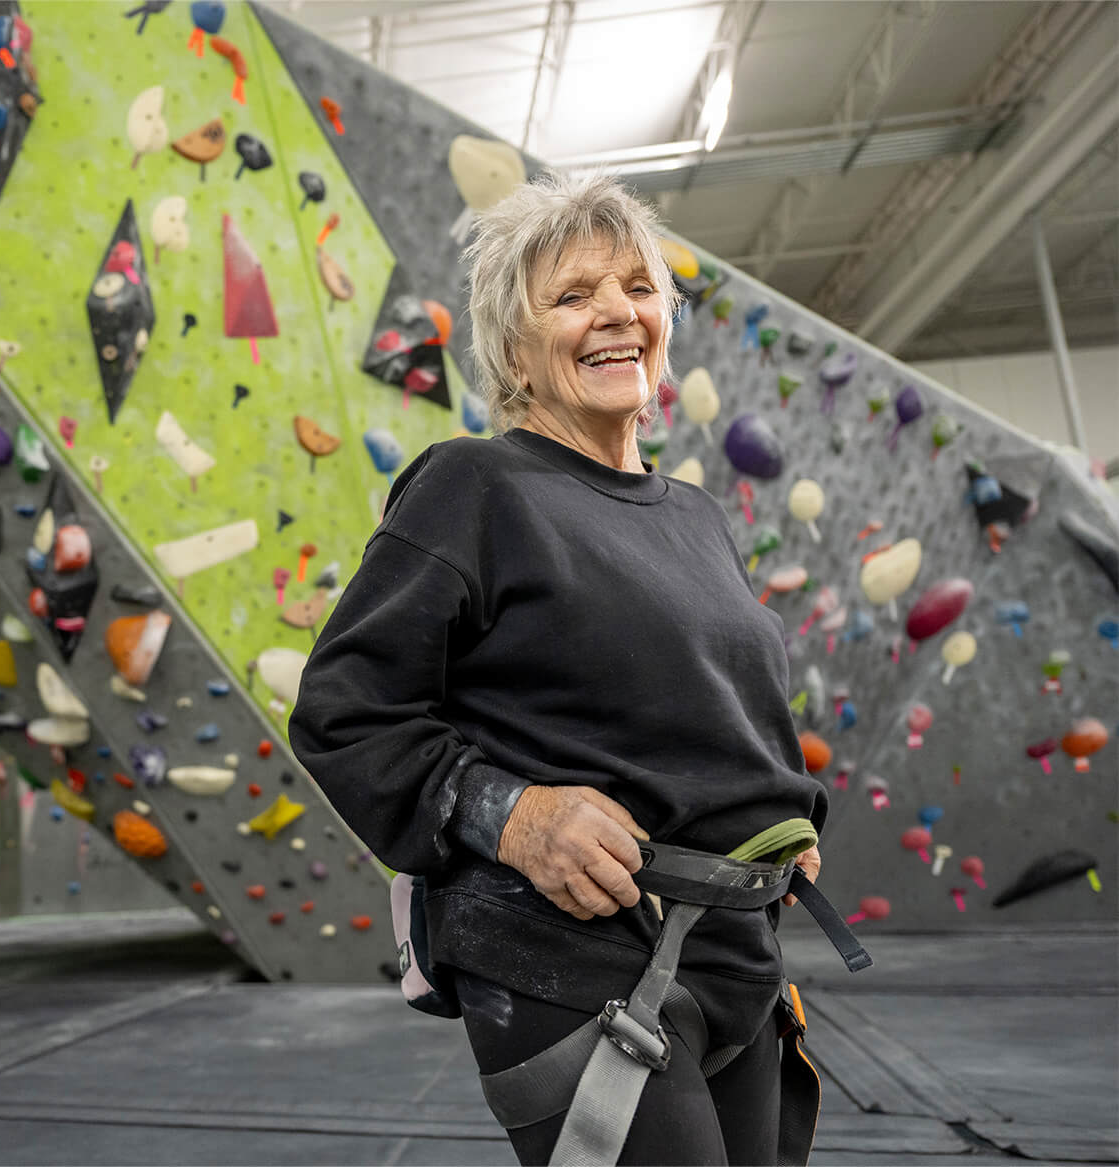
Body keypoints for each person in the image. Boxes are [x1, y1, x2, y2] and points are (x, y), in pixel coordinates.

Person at [289, 171, 831, 1166]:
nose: (615, 313)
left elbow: (717, 706)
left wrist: (787, 819)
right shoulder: (474, 487)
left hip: (738, 952)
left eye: (636, 287)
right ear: (513, 350)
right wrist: (516, 815)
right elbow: (343, 713)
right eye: (572, 296)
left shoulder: (696, 517)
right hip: (570, 957)